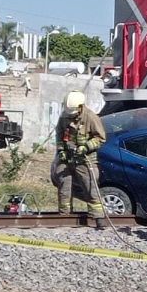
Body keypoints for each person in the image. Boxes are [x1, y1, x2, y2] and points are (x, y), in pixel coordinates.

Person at [54, 90, 107, 229]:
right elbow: (59, 135)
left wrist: (86, 147)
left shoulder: (91, 117)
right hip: (68, 158)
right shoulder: (64, 117)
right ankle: (64, 216)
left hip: (85, 159)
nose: (71, 116)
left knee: (91, 188)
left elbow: (100, 138)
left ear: (80, 107)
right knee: (64, 186)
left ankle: (99, 218)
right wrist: (61, 151)